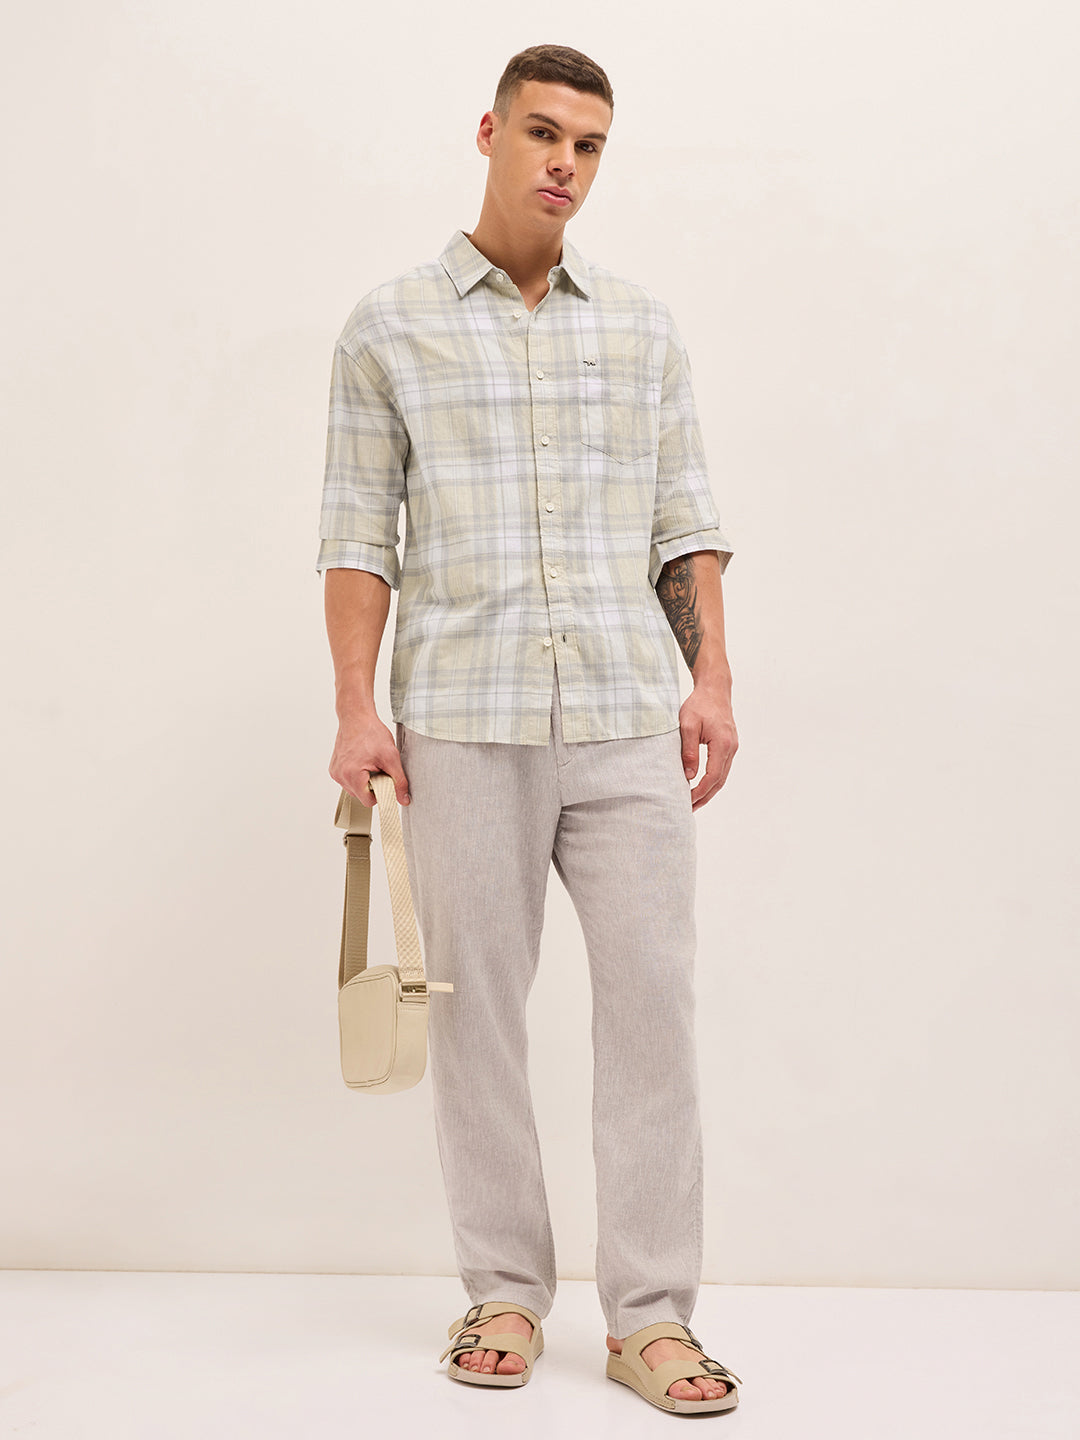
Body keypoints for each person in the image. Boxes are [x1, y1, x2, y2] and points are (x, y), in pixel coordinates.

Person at [317, 43, 742, 1415]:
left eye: (591, 144)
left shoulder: (643, 328)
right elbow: (357, 537)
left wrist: (711, 680)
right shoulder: (388, 327)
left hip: (624, 717)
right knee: (478, 1018)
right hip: (462, 722)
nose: (566, 162)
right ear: (490, 133)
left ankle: (650, 1317)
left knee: (653, 1010)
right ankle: (503, 1290)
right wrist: (355, 710)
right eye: (545, 133)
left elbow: (685, 521)